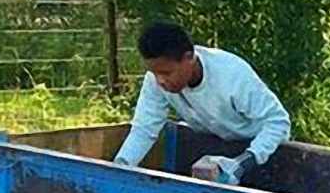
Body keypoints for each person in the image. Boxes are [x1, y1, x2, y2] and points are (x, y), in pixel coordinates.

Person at [113, 22, 291, 181]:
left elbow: (278, 122)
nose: (160, 80)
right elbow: (144, 129)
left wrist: (242, 163)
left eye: (167, 73)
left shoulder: (232, 75)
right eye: (154, 73)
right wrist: (120, 168)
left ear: (189, 58)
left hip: (260, 155)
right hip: (215, 149)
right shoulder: (155, 80)